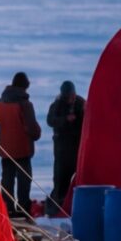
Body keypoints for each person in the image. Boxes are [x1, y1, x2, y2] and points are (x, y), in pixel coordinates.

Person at [0, 72, 41, 220]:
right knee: (24, 179)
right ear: (25, 86)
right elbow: (32, 128)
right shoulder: (25, 104)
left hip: (5, 147)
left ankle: (7, 208)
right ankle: (23, 208)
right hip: (22, 148)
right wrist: (36, 134)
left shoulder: (1, 101)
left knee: (7, 178)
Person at [46, 79, 85, 215]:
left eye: (72, 96)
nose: (70, 99)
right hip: (61, 149)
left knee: (78, 179)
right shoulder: (56, 105)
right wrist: (64, 120)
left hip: (76, 149)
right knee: (60, 179)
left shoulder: (81, 104)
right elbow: (50, 120)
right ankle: (57, 208)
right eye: (68, 96)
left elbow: (87, 121)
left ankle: (76, 207)